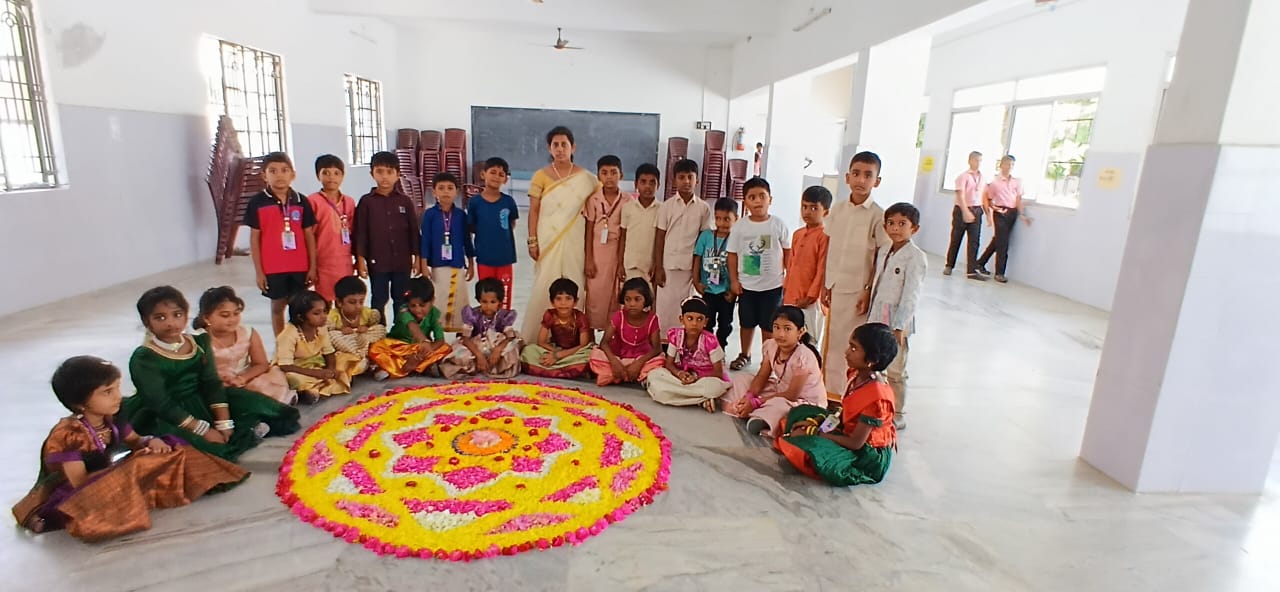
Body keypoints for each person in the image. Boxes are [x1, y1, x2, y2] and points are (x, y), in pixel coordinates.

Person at [11, 356, 248, 541]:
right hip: (80, 491)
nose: (117, 396)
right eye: (107, 392)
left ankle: (193, 483)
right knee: (132, 470)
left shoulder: (112, 417)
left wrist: (150, 442)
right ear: (79, 403)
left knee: (170, 445)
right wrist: (127, 472)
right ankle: (47, 516)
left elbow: (135, 441)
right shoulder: (68, 434)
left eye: (117, 388)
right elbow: (80, 484)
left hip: (111, 475)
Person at [120, 286, 300, 461]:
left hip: (201, 398)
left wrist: (224, 423)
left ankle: (249, 427)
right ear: (147, 322)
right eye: (160, 317)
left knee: (260, 407)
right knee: (204, 451)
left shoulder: (200, 342)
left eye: (177, 315)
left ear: (186, 315)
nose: (170, 322)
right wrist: (203, 430)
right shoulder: (144, 358)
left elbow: (211, 382)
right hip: (168, 412)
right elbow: (161, 403)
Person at [775, 323, 898, 486]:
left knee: (816, 447)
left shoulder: (877, 399)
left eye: (854, 349)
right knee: (801, 412)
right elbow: (844, 412)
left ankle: (804, 456)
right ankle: (801, 451)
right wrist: (818, 423)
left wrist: (816, 434)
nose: (847, 352)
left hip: (865, 455)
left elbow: (856, 443)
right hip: (847, 430)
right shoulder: (856, 375)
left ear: (871, 360)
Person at [821, 152, 891, 399]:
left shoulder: (878, 216)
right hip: (835, 285)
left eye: (868, 175)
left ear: (877, 181)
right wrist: (825, 284)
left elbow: (881, 257)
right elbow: (829, 248)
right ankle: (828, 392)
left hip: (858, 290)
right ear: (847, 177)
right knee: (831, 341)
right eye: (856, 173)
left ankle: (847, 393)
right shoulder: (838, 210)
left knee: (852, 344)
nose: (861, 180)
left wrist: (868, 290)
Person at [524, 126, 597, 340]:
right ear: (549, 148)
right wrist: (532, 241)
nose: (560, 149)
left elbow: (599, 206)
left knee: (575, 283)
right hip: (548, 240)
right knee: (545, 284)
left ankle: (575, 337)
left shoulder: (587, 178)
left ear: (573, 147)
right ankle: (540, 336)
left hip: (575, 240)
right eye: (555, 145)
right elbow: (534, 210)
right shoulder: (540, 176)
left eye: (564, 144)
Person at [243, 151, 318, 336]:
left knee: (299, 306)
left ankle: (299, 341)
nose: (279, 175)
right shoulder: (257, 203)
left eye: (284, 170)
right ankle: (281, 343)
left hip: (299, 265)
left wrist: (312, 266)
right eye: (273, 171)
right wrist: (259, 272)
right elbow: (254, 239)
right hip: (273, 267)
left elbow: (309, 236)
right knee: (277, 306)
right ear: (264, 175)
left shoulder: (302, 201)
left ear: (293, 174)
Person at [723, 306, 826, 438]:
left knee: (779, 405)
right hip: (779, 389)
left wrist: (757, 402)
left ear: (800, 332)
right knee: (742, 379)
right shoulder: (771, 345)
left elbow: (792, 395)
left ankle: (762, 418)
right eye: (776, 327)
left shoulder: (804, 357)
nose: (780, 334)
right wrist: (749, 396)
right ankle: (745, 407)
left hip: (803, 401)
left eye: (787, 329)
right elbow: (762, 375)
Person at [869, 203, 927, 430]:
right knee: (876, 366)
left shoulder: (915, 257)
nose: (895, 228)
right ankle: (878, 406)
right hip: (877, 316)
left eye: (902, 224)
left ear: (915, 228)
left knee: (896, 369)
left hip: (896, 322)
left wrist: (900, 326)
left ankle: (898, 411)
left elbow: (911, 295)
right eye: (891, 223)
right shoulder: (885, 250)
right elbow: (877, 282)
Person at [727, 177, 791, 371]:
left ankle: (767, 359)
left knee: (769, 325)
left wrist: (788, 279)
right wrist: (734, 280)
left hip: (773, 286)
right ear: (745, 201)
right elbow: (732, 255)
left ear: (770, 199)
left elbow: (788, 252)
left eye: (762, 196)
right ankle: (744, 354)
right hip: (747, 286)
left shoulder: (778, 224)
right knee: (746, 323)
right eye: (752, 197)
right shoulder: (740, 226)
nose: (757, 201)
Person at [195, 286, 294, 405]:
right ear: (206, 318)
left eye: (236, 313)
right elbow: (196, 373)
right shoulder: (199, 339)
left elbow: (261, 364)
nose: (232, 319)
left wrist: (242, 379)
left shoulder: (248, 332)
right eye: (225, 315)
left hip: (246, 378)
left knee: (264, 384)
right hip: (216, 383)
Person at [354, 151, 420, 323]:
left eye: (389, 172)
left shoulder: (405, 201)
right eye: (380, 171)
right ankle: (378, 331)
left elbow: (413, 231)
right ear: (372, 173)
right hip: (377, 262)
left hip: (402, 261)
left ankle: (400, 331)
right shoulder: (366, 202)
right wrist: (360, 259)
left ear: (398, 174)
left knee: (402, 299)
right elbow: (360, 232)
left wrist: (417, 258)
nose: (384, 177)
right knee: (379, 298)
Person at [652, 159, 711, 332]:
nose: (686, 181)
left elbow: (704, 240)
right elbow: (659, 238)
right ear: (674, 180)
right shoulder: (666, 206)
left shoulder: (704, 208)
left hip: (689, 267)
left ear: (697, 180)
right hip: (668, 266)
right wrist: (658, 267)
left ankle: (683, 341)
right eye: (681, 177)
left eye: (690, 177)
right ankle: (664, 342)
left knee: (686, 307)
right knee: (664, 307)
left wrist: (699, 272)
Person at [644, 297, 730, 412]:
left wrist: (696, 378)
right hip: (684, 376)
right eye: (690, 318)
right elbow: (669, 364)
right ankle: (701, 400)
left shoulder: (710, 340)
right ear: (682, 319)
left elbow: (718, 372)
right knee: (655, 374)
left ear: (705, 322)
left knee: (714, 387)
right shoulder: (675, 335)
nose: (694, 323)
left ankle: (685, 396)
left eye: (699, 319)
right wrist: (680, 374)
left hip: (705, 378)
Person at [275, 291, 361, 401]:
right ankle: (308, 391)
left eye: (325, 311)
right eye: (317, 313)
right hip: (297, 368)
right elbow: (285, 365)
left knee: (347, 358)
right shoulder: (288, 334)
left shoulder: (321, 327)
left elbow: (329, 352)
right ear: (300, 317)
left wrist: (330, 369)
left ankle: (318, 386)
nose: (324, 316)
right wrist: (316, 373)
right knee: (292, 378)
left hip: (318, 363)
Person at [419, 172, 476, 332]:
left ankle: (460, 331)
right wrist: (424, 265)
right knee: (439, 297)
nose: (446, 191)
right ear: (434, 191)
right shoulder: (429, 214)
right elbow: (425, 240)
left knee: (459, 298)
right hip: (437, 264)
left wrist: (471, 264)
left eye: (450, 188)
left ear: (457, 191)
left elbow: (467, 241)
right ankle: (437, 330)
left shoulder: (461, 215)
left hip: (457, 263)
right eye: (441, 188)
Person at [368, 278, 453, 380]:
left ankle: (397, 368)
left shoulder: (435, 313)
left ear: (432, 301)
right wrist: (424, 341)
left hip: (420, 349)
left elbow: (440, 340)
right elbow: (412, 325)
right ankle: (420, 367)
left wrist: (419, 356)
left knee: (445, 347)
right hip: (398, 348)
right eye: (413, 306)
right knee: (376, 347)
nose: (417, 310)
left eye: (422, 305)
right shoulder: (404, 310)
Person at [440, 278, 522, 379]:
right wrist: (479, 355)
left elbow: (509, 337)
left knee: (511, 350)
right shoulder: (472, 315)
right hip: (475, 347)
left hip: (496, 346)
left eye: (493, 302)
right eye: (484, 302)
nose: (488, 306)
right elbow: (465, 338)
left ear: (499, 301)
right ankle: (479, 364)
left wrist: (498, 350)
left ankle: (490, 366)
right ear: (479, 300)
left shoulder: (505, 316)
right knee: (460, 355)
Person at [589, 277, 663, 386]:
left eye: (637, 299)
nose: (632, 304)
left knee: (660, 360)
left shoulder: (652, 318)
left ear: (646, 300)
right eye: (628, 299)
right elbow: (604, 343)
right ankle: (633, 376)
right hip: (619, 358)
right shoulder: (619, 316)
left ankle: (618, 376)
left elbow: (657, 348)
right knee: (595, 355)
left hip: (641, 358)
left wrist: (639, 363)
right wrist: (614, 362)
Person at [468, 157, 519, 309]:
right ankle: (486, 322)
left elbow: (512, 223)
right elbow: (471, 227)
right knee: (487, 294)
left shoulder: (508, 202)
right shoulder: (475, 202)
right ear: (483, 174)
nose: (496, 177)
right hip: (484, 257)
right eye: (493, 172)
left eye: (501, 174)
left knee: (504, 295)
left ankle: (503, 322)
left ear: (505, 179)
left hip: (505, 257)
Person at [783, 186, 831, 344]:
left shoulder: (825, 236)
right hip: (792, 295)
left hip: (811, 300)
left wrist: (810, 296)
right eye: (804, 207)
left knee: (810, 340)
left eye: (814, 208)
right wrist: (786, 288)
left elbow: (822, 269)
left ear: (826, 212)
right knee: (790, 336)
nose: (807, 212)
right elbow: (791, 264)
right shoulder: (797, 234)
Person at [584, 154, 628, 330]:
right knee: (595, 294)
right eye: (604, 173)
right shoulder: (593, 200)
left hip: (617, 251)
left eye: (613, 172)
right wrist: (588, 259)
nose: (609, 177)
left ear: (621, 175)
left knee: (615, 294)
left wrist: (622, 261)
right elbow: (588, 231)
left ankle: (611, 336)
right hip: (597, 252)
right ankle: (590, 336)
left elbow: (626, 233)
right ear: (598, 176)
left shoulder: (627, 201)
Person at [307, 154, 357, 302]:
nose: (331, 177)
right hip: (323, 260)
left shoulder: (349, 202)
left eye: (336, 173)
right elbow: (308, 235)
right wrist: (312, 265)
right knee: (324, 301)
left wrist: (358, 260)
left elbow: (354, 232)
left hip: (344, 261)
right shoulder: (312, 201)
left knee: (345, 299)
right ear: (318, 176)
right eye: (326, 173)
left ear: (343, 176)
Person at [521, 278, 595, 378]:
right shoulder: (550, 315)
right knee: (528, 350)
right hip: (555, 349)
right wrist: (556, 353)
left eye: (568, 298)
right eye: (558, 299)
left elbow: (583, 345)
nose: (563, 303)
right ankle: (567, 369)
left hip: (575, 352)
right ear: (552, 301)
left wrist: (558, 356)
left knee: (589, 354)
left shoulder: (580, 317)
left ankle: (552, 368)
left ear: (575, 301)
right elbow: (541, 342)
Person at [976, 154, 1031, 283]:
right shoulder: (995, 182)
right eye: (1007, 164)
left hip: (1012, 213)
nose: (1009, 167)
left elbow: (1018, 199)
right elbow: (988, 199)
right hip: (1000, 212)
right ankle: (1000, 273)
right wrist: (994, 209)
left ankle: (980, 263)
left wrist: (1022, 214)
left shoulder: (1017, 181)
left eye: (1012, 165)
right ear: (1001, 165)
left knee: (998, 240)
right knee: (1003, 243)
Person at [693, 197, 738, 349]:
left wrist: (734, 290)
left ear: (736, 219)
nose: (721, 223)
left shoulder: (736, 239)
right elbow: (697, 258)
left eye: (727, 219)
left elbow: (739, 266)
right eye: (718, 218)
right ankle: (707, 349)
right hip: (708, 289)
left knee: (725, 323)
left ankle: (720, 349)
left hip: (726, 292)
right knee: (707, 322)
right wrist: (696, 281)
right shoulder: (706, 236)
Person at [326, 275, 388, 378]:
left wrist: (366, 328)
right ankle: (363, 360)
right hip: (347, 344)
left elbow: (374, 328)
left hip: (363, 340)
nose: (358, 306)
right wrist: (341, 330)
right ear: (339, 302)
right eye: (352, 302)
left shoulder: (368, 313)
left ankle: (367, 359)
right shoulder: (333, 316)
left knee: (380, 329)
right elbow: (328, 331)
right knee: (332, 335)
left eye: (361, 301)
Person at [944, 150, 988, 281]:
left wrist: (987, 213)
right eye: (976, 160)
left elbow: (983, 195)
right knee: (956, 238)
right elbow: (960, 195)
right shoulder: (963, 177)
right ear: (969, 161)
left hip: (977, 209)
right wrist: (965, 211)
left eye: (980, 160)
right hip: (962, 209)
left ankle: (971, 270)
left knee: (974, 241)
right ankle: (949, 265)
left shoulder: (982, 177)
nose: (978, 163)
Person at [618, 163, 661, 282]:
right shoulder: (627, 208)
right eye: (643, 182)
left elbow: (661, 241)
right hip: (629, 265)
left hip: (650, 268)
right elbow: (622, 238)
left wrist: (657, 264)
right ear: (636, 184)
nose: (647, 186)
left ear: (658, 185)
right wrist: (620, 264)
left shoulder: (662, 210)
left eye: (652, 182)